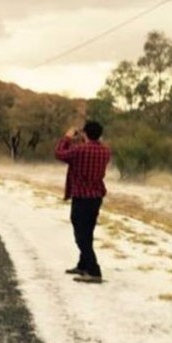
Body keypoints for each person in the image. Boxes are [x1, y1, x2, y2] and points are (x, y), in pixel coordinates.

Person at [55, 120, 111, 284]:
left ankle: (94, 270)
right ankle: (83, 265)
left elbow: (59, 153)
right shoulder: (105, 151)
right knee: (88, 231)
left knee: (81, 235)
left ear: (85, 133)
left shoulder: (79, 150)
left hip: (81, 196)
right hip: (96, 196)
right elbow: (87, 154)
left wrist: (67, 138)